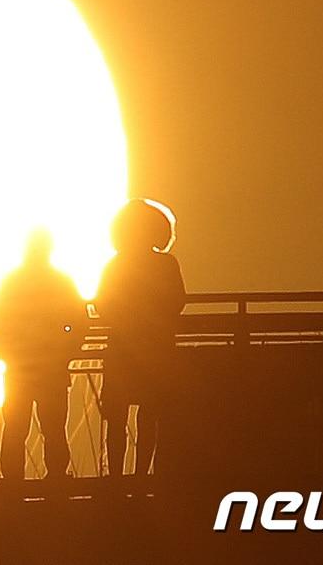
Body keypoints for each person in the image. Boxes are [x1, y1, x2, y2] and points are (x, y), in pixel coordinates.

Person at [94, 199, 186, 480]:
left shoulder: (115, 265)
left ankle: (116, 479)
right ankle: (142, 475)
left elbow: (102, 305)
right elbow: (177, 302)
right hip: (156, 348)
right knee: (150, 414)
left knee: (116, 418)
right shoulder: (166, 264)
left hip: (121, 348)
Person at [0, 230, 86, 485]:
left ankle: (11, 481)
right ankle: (56, 479)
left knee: (15, 428)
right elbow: (78, 321)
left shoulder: (12, 282)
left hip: (19, 366)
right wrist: (67, 350)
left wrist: (7, 352)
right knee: (53, 427)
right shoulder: (61, 282)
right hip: (52, 367)